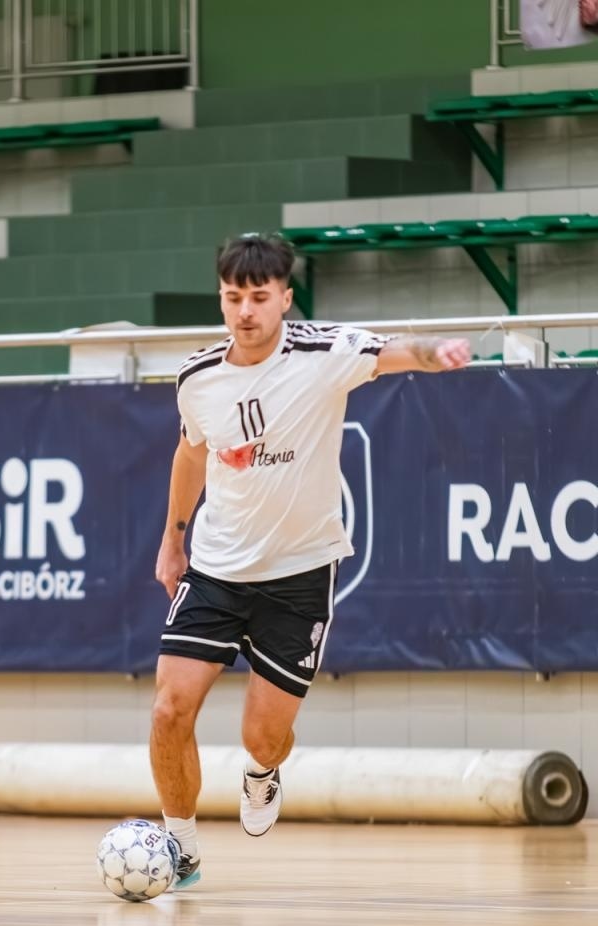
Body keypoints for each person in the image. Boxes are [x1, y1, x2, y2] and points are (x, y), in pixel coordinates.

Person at [152, 234, 472, 888]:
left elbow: (394, 352)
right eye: (233, 297)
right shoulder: (199, 378)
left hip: (297, 577)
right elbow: (190, 456)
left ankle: (264, 773)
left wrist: (435, 353)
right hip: (216, 567)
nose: (245, 311)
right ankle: (179, 849)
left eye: (259, 298)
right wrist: (174, 537)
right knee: (168, 708)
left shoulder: (325, 352)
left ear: (285, 298)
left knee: (261, 736)